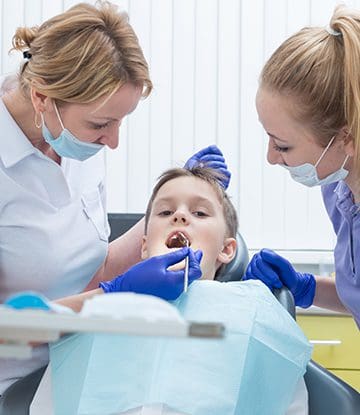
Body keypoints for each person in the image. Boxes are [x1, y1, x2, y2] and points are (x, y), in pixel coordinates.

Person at [0, 1, 229, 395]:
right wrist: (114, 295)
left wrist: (174, 206)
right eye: (101, 124)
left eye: (121, 121)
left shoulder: (73, 143)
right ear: (42, 98)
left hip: (77, 356)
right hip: (16, 385)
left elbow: (93, 265)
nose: (114, 141)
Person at [42, 166, 310, 415]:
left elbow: (284, 400)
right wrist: (113, 295)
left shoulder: (252, 312)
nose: (180, 216)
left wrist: (254, 311)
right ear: (144, 246)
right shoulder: (101, 311)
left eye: (200, 213)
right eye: (165, 212)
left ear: (227, 250)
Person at [243, 4, 360, 328]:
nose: (271, 157)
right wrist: (304, 286)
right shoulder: (339, 191)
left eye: (282, 145)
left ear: (345, 138)